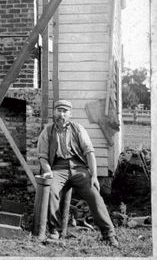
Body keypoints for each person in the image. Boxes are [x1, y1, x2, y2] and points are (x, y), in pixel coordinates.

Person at [37, 99, 118, 247]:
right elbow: (42, 156)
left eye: (65, 111)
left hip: (78, 168)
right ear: (54, 112)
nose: (61, 114)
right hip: (58, 168)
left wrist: (94, 176)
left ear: (70, 114)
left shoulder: (78, 129)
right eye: (59, 110)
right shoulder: (47, 131)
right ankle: (55, 230)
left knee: (94, 194)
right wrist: (48, 171)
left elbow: (89, 152)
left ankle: (109, 234)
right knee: (51, 191)